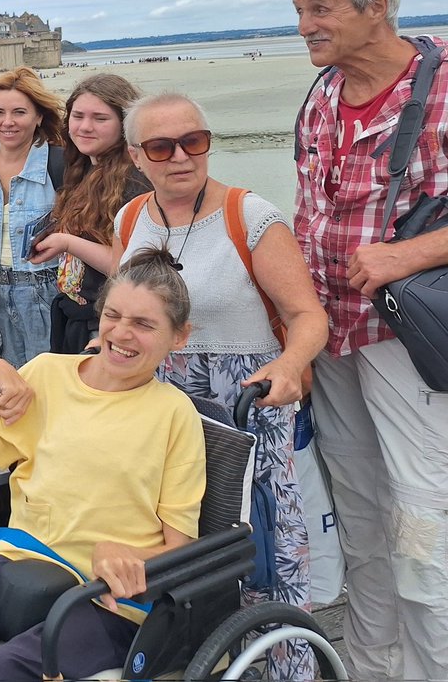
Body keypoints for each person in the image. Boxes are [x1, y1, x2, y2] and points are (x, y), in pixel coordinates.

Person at [0, 246, 206, 681]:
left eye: (144, 324)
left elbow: (179, 548)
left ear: (178, 337)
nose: (122, 334)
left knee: (4, 672)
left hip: (106, 596)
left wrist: (124, 554)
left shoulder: (174, 414)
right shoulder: (48, 373)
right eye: (114, 315)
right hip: (21, 565)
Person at [113, 91, 327, 681]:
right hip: (164, 401)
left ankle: (284, 668)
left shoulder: (249, 215)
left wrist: (288, 367)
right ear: (136, 156)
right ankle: (202, 658)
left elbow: (308, 315)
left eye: (194, 141)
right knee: (180, 535)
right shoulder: (129, 219)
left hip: (248, 402)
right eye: (162, 146)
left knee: (265, 541)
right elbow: (128, 312)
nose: (181, 156)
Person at [291, 0, 448, 680]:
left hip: (406, 338)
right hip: (331, 333)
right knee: (357, 507)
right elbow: (309, 210)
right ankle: (372, 662)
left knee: (422, 516)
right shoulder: (323, 93)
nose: (304, 26)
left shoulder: (443, 81)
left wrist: (408, 256)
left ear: (375, 7)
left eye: (319, 9)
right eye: (300, 11)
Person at [30, 74, 150, 353]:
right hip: (75, 315)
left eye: (100, 118)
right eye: (78, 116)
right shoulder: (83, 169)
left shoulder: (135, 182)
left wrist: (66, 242)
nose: (85, 127)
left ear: (125, 124)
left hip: (106, 325)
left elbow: (131, 265)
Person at [0, 67, 65, 367]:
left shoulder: (60, 164)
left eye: (19, 112)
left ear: (39, 117)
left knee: (50, 388)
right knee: (7, 390)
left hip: (47, 293)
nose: (8, 122)